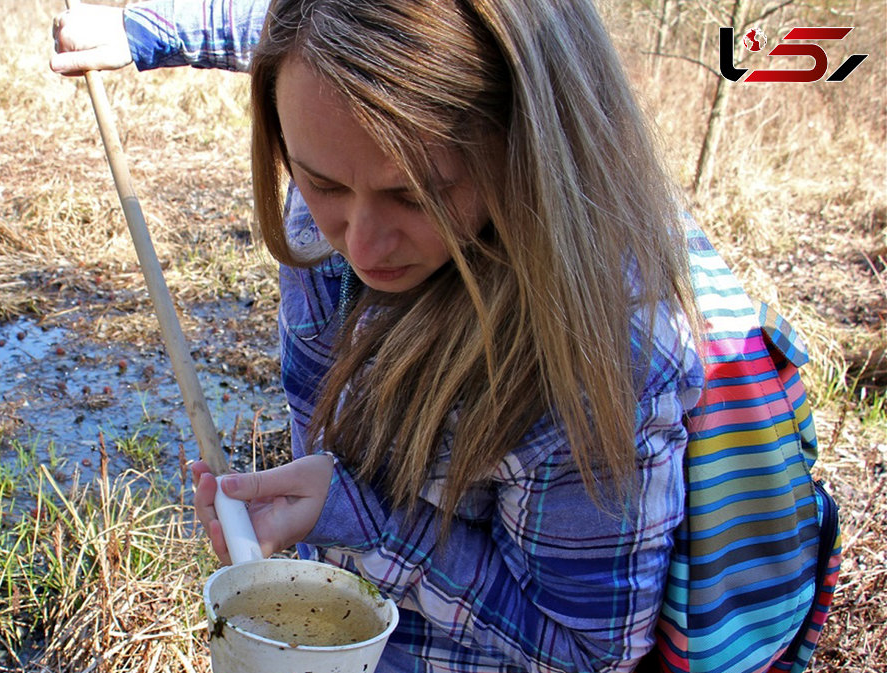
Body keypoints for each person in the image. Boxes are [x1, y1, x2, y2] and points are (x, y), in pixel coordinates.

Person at [52, 1, 706, 671]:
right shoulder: (329, 114)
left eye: (418, 195)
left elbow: (585, 655)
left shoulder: (598, 363)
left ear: (527, 141)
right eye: (322, 182)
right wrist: (144, 33)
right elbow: (302, 29)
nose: (360, 244)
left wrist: (356, 519)